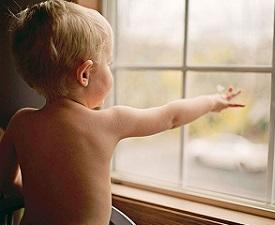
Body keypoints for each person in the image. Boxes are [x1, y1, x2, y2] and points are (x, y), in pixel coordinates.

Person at [0, 0, 245, 224]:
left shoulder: (20, 122)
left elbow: (7, 183)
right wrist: (213, 101)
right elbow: (171, 117)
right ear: (85, 74)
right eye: (108, 63)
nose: (110, 70)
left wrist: (42, 196)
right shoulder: (108, 122)